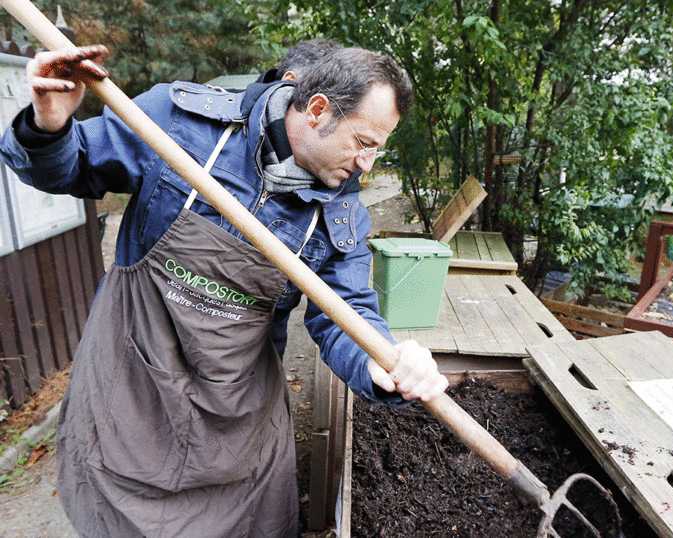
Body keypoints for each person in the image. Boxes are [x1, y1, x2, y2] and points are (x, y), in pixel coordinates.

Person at [0, 43, 448, 538]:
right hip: (130, 389)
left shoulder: (339, 214)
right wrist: (49, 125)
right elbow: (68, 168)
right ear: (318, 109)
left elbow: (345, 317)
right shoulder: (179, 122)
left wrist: (384, 363)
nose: (367, 164)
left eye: (377, 148)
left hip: (234, 415)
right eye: (363, 141)